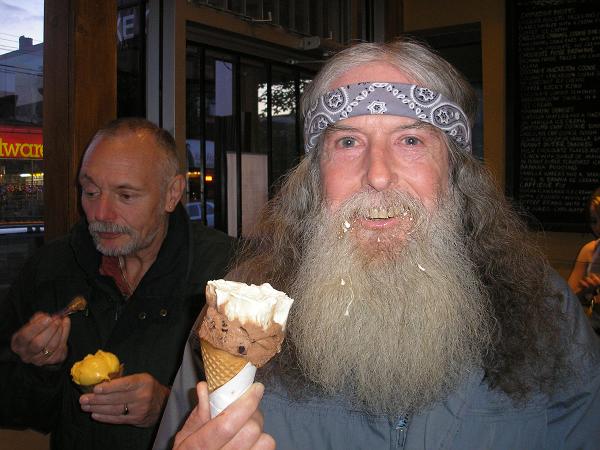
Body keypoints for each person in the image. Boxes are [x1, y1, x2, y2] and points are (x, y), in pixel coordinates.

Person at [154, 39, 600, 450]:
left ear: (455, 172)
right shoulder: (238, 312)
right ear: (314, 176)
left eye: (411, 140)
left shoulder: (544, 308)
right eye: (348, 142)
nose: (378, 175)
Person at [0, 118, 234, 450]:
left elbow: (262, 405)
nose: (101, 213)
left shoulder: (226, 273)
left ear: (172, 194)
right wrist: (39, 368)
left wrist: (169, 407)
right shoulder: (50, 269)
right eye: (91, 192)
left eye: (125, 195)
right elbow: (18, 410)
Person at [568, 187, 600, 333]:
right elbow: (568, 300)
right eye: (594, 221)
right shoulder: (589, 250)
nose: (598, 227)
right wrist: (584, 290)